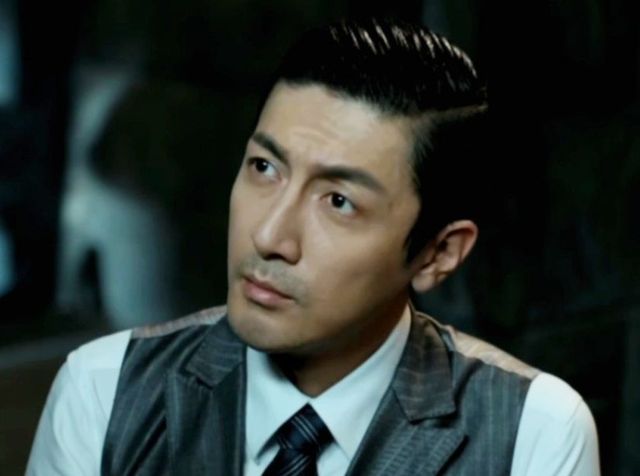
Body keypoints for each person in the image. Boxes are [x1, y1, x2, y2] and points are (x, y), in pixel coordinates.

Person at [27, 18, 600, 475]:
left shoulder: (532, 432)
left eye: (339, 202)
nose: (270, 236)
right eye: (264, 167)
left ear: (439, 253)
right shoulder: (105, 392)